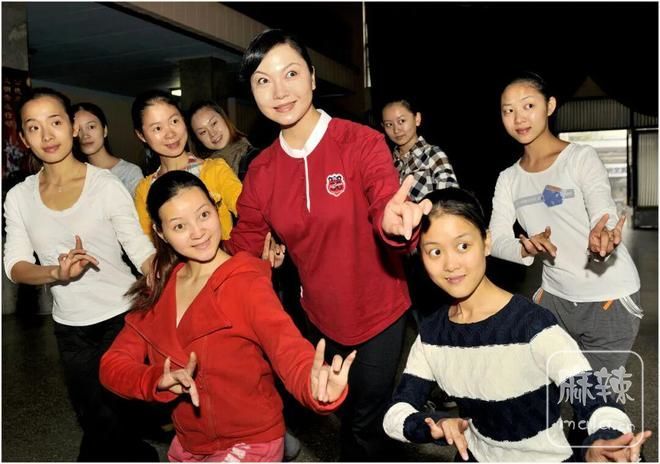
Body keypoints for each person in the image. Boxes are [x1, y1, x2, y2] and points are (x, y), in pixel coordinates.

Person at [224, 28, 431, 461]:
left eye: (291, 73)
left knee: (364, 419)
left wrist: (394, 223)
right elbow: (244, 242)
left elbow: (383, 200)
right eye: (263, 81)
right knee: (342, 409)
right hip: (319, 316)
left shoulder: (361, 142)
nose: (279, 91)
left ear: (313, 78)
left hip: (379, 311)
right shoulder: (262, 171)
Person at [99, 170, 355, 462]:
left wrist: (314, 383)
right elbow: (112, 365)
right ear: (160, 232)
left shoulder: (245, 282)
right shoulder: (159, 288)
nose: (198, 232)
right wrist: (156, 379)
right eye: (179, 226)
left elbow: (287, 347)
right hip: (189, 443)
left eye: (204, 215)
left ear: (216, 207)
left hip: (251, 440)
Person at [383, 187, 652, 462]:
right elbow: (395, 414)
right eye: (435, 252)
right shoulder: (432, 335)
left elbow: (594, 395)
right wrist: (433, 426)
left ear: (486, 242)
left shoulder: (532, 325)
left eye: (463, 246)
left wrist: (607, 438)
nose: (451, 264)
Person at [3, 87, 158, 461]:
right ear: (23, 138)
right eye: (34, 127)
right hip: (70, 327)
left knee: (111, 418)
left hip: (122, 317)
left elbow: (139, 248)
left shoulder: (105, 184)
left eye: (55, 122)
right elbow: (15, 266)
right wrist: (56, 272)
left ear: (72, 127)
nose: (47, 135)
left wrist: (176, 277)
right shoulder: (19, 197)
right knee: (93, 417)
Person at [489, 71, 642, 375]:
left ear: (550, 106)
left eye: (528, 106)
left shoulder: (580, 158)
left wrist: (604, 234)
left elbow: (602, 208)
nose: (518, 118)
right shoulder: (508, 179)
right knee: (548, 389)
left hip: (608, 297)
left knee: (596, 396)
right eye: (508, 110)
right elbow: (496, 240)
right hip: (555, 300)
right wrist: (526, 247)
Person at [131, 90, 242, 241]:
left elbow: (250, 213)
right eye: (157, 128)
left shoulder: (215, 170)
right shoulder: (145, 190)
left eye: (174, 121)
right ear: (141, 135)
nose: (170, 134)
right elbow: (146, 244)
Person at [381, 98, 458, 202]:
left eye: (401, 121)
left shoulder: (433, 155)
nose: (396, 130)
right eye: (389, 124)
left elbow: (452, 201)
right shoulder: (387, 162)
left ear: (417, 119)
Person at [73, 101, 143, 197]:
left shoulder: (129, 172)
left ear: (105, 130)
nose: (85, 135)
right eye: (78, 130)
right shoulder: (75, 175)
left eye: (91, 127)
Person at [187, 100, 260, 180]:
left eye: (214, 123)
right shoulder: (199, 170)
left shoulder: (255, 159)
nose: (212, 133)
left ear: (224, 118)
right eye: (203, 132)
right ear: (197, 139)